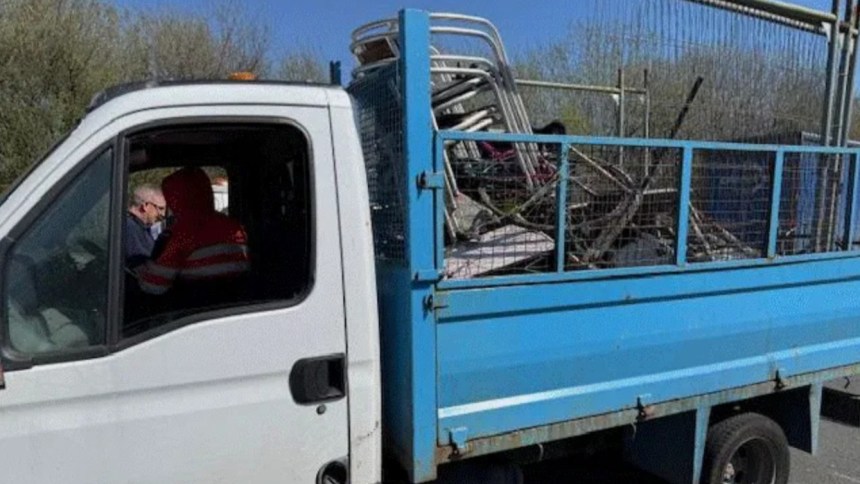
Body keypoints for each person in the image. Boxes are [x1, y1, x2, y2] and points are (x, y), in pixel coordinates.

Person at [135, 167, 250, 306]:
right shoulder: (236, 228)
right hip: (237, 306)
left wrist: (141, 271)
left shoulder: (184, 234)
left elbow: (153, 286)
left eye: (171, 199)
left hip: (196, 312)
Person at [125, 184, 166, 267]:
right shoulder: (130, 228)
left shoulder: (140, 228)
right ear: (145, 206)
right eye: (160, 209)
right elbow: (139, 265)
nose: (162, 214)